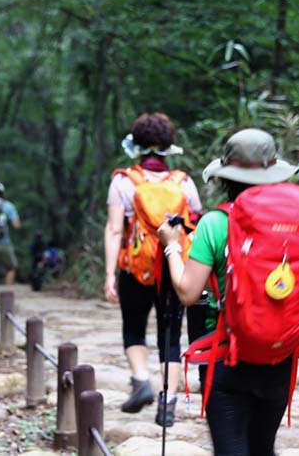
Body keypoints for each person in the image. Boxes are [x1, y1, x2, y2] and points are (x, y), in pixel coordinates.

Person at [157, 128, 299, 456]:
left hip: (226, 355)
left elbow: (187, 292)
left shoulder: (213, 223)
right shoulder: (293, 224)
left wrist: (171, 247)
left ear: (226, 175)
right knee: (262, 449)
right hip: (279, 356)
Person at [103, 113, 203, 425]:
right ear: (169, 145)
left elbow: (114, 230)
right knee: (170, 335)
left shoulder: (123, 181)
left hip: (135, 268)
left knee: (134, 327)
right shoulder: (183, 183)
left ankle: (141, 379)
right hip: (173, 267)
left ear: (137, 144)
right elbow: (196, 226)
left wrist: (109, 275)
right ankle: (169, 400)